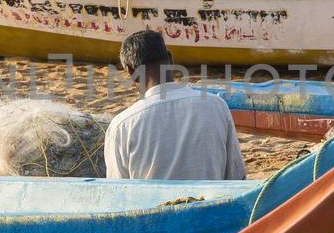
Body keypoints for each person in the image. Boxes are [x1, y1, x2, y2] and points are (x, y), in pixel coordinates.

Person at [104, 30, 246, 180]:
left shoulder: (122, 125)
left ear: (132, 72)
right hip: (214, 202)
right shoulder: (217, 106)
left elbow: (118, 191)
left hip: (152, 203)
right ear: (170, 60)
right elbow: (236, 177)